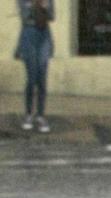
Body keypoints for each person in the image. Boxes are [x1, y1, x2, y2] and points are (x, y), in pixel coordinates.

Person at [14, 0, 54, 133]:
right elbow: (25, 17)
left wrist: (45, 8)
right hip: (29, 35)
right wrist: (36, 5)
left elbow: (52, 16)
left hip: (44, 36)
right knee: (31, 78)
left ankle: (41, 115)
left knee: (42, 79)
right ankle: (28, 114)